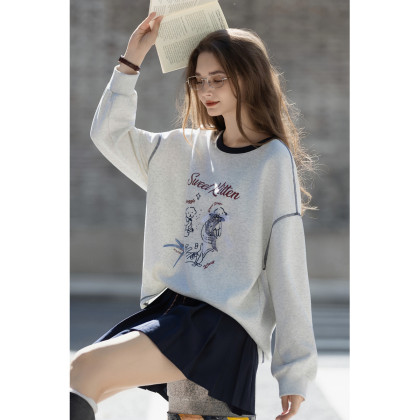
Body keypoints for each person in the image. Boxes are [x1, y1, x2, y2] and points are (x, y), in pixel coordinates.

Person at [70, 11, 318, 420]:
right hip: (173, 312)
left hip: (223, 324)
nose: (206, 90)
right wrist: (131, 60)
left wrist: (295, 371)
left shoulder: (272, 160)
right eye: (199, 80)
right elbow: (109, 135)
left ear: (248, 78)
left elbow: (287, 266)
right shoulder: (182, 149)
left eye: (218, 78)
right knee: (96, 382)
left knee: (84, 369)